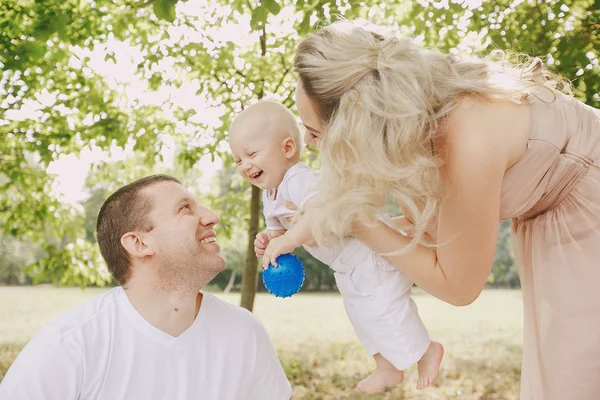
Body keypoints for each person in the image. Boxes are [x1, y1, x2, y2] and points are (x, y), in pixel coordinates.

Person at [284, 20, 600, 400]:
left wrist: (360, 223)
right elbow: (433, 233)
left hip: (589, 210)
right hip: (552, 219)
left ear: (357, 126)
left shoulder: (466, 137)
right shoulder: (414, 122)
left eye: (315, 133)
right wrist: (329, 230)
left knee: (579, 380)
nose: (307, 142)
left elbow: (459, 286)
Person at [0, 175, 292, 400]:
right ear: (139, 244)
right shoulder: (67, 347)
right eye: (184, 208)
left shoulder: (244, 333)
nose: (211, 216)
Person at [228, 100, 444, 394]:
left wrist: (288, 239)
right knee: (361, 314)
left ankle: (427, 350)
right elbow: (280, 231)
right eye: (238, 160)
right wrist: (270, 241)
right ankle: (388, 367)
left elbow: (318, 212)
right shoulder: (270, 194)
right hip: (347, 265)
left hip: (368, 251)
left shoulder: (297, 179)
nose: (244, 165)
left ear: (288, 148)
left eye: (251, 154)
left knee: (385, 309)